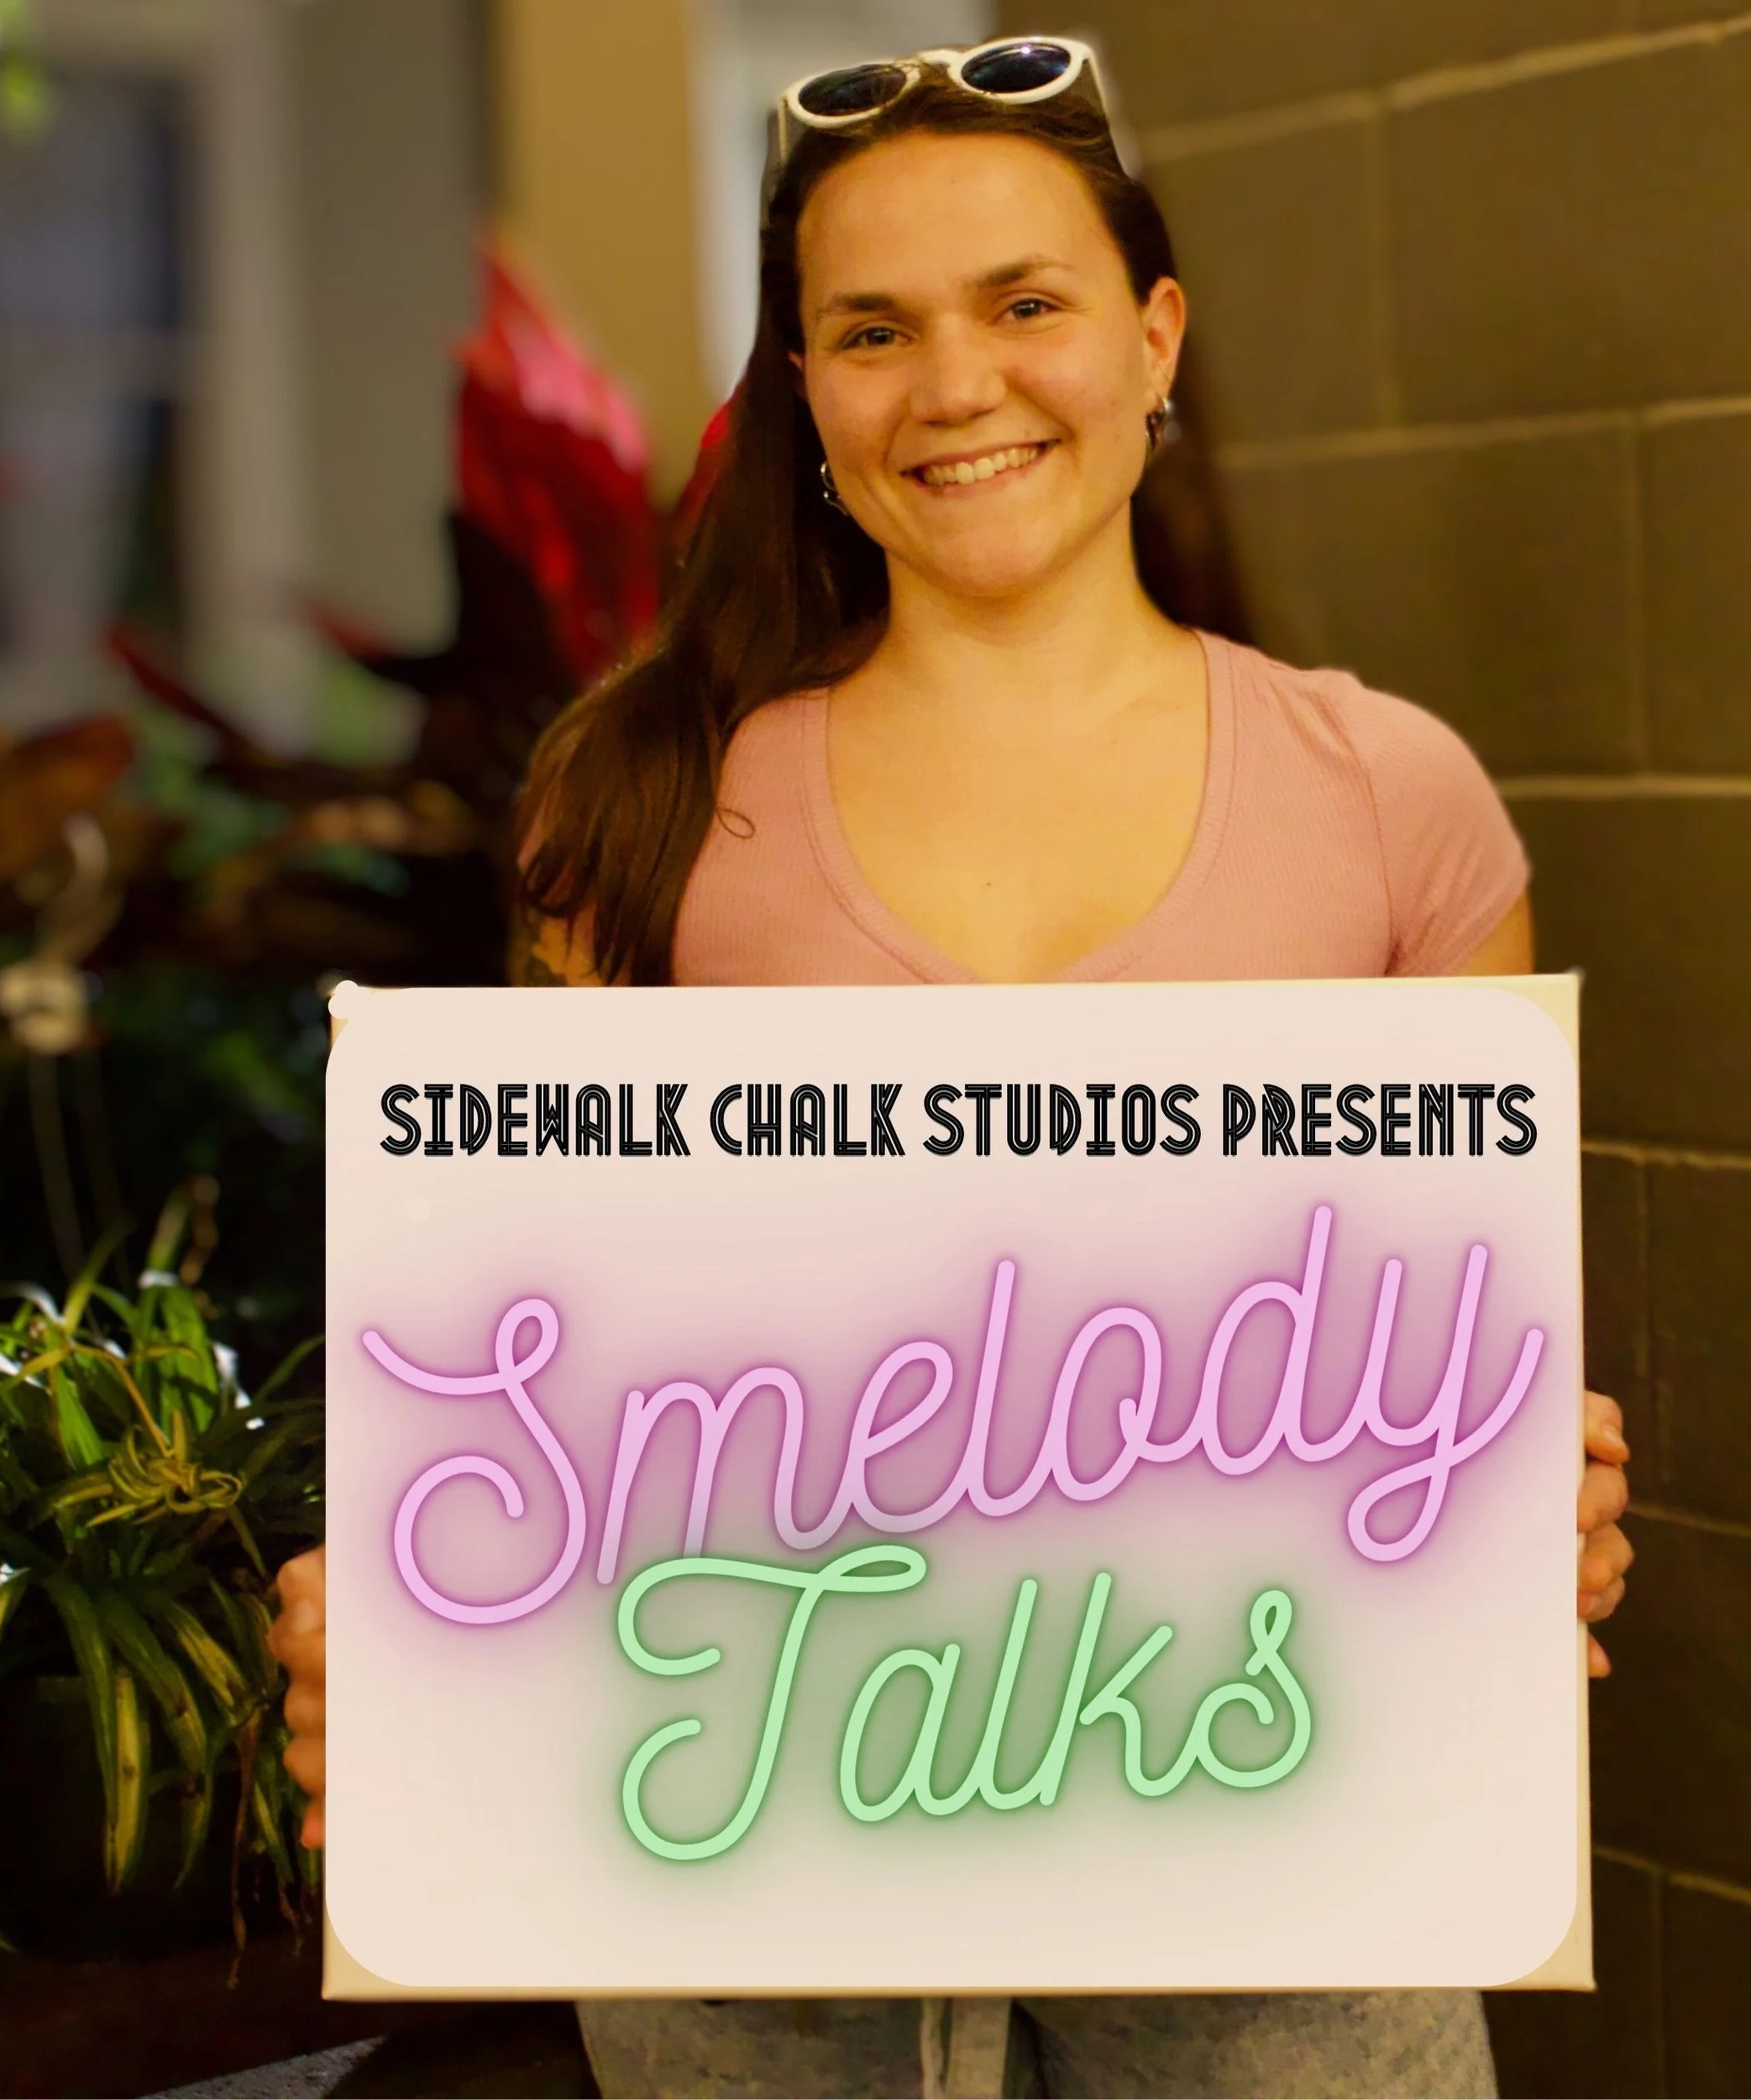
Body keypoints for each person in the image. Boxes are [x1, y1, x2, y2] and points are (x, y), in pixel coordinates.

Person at [270, 37, 1634, 2098]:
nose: (955, 383)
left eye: (1022, 303)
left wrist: (1526, 1501)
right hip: (760, 1924)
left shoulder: (1389, 797)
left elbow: (1441, 1374)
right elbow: (531, 1376)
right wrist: (403, 1625)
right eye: (872, 330)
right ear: (805, 394)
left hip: (1276, 1911)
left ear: (1151, 339)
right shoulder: (642, 807)